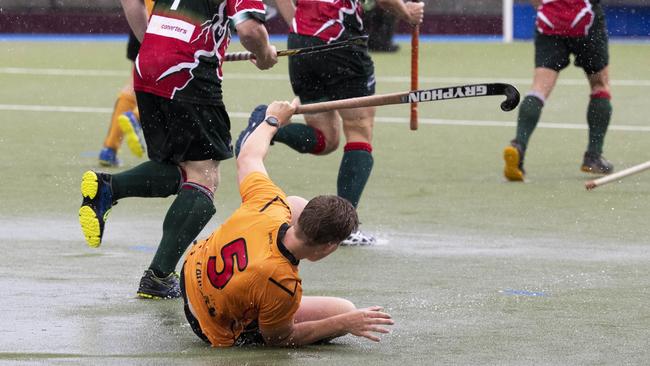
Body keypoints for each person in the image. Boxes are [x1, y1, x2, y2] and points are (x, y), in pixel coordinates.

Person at [78, 0, 278, 299]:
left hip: (146, 66)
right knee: (205, 176)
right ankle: (159, 276)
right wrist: (264, 54)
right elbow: (249, 29)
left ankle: (108, 187)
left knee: (184, 168)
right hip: (188, 75)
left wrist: (155, 44)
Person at [182, 100, 394, 347]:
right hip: (210, 323)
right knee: (343, 309)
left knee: (292, 202)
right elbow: (279, 339)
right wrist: (344, 323)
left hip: (191, 272)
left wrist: (272, 119)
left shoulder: (269, 203)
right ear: (327, 248)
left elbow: (248, 155)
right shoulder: (282, 285)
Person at [252, 0, 424, 245]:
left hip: (301, 43)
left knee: (326, 139)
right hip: (341, 43)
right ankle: (344, 228)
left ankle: (266, 124)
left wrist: (300, 26)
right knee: (359, 131)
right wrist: (407, 12)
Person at [503, 0, 613, 181]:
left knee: (539, 88)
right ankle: (593, 156)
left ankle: (518, 146)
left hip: (550, 21)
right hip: (586, 20)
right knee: (600, 86)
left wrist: (546, 6)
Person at [98, 1, 155, 167]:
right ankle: (136, 118)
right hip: (168, 23)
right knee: (172, 83)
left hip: (137, 19)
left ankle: (109, 148)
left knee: (134, 82)